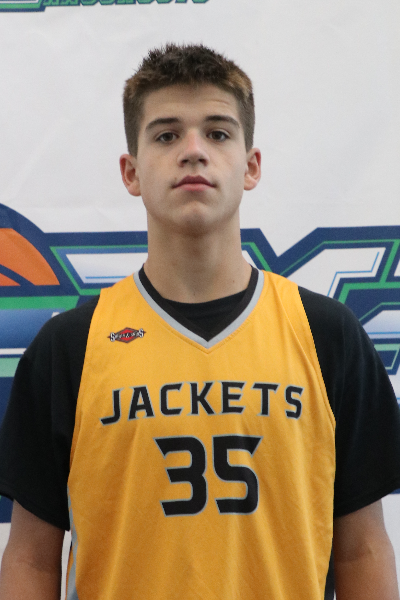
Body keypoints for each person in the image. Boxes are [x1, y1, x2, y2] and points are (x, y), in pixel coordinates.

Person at [0, 43, 399, 600]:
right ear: (131, 172)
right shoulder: (71, 346)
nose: (193, 151)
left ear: (250, 165)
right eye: (166, 135)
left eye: (217, 132)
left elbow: (362, 550)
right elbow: (31, 559)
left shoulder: (327, 335)